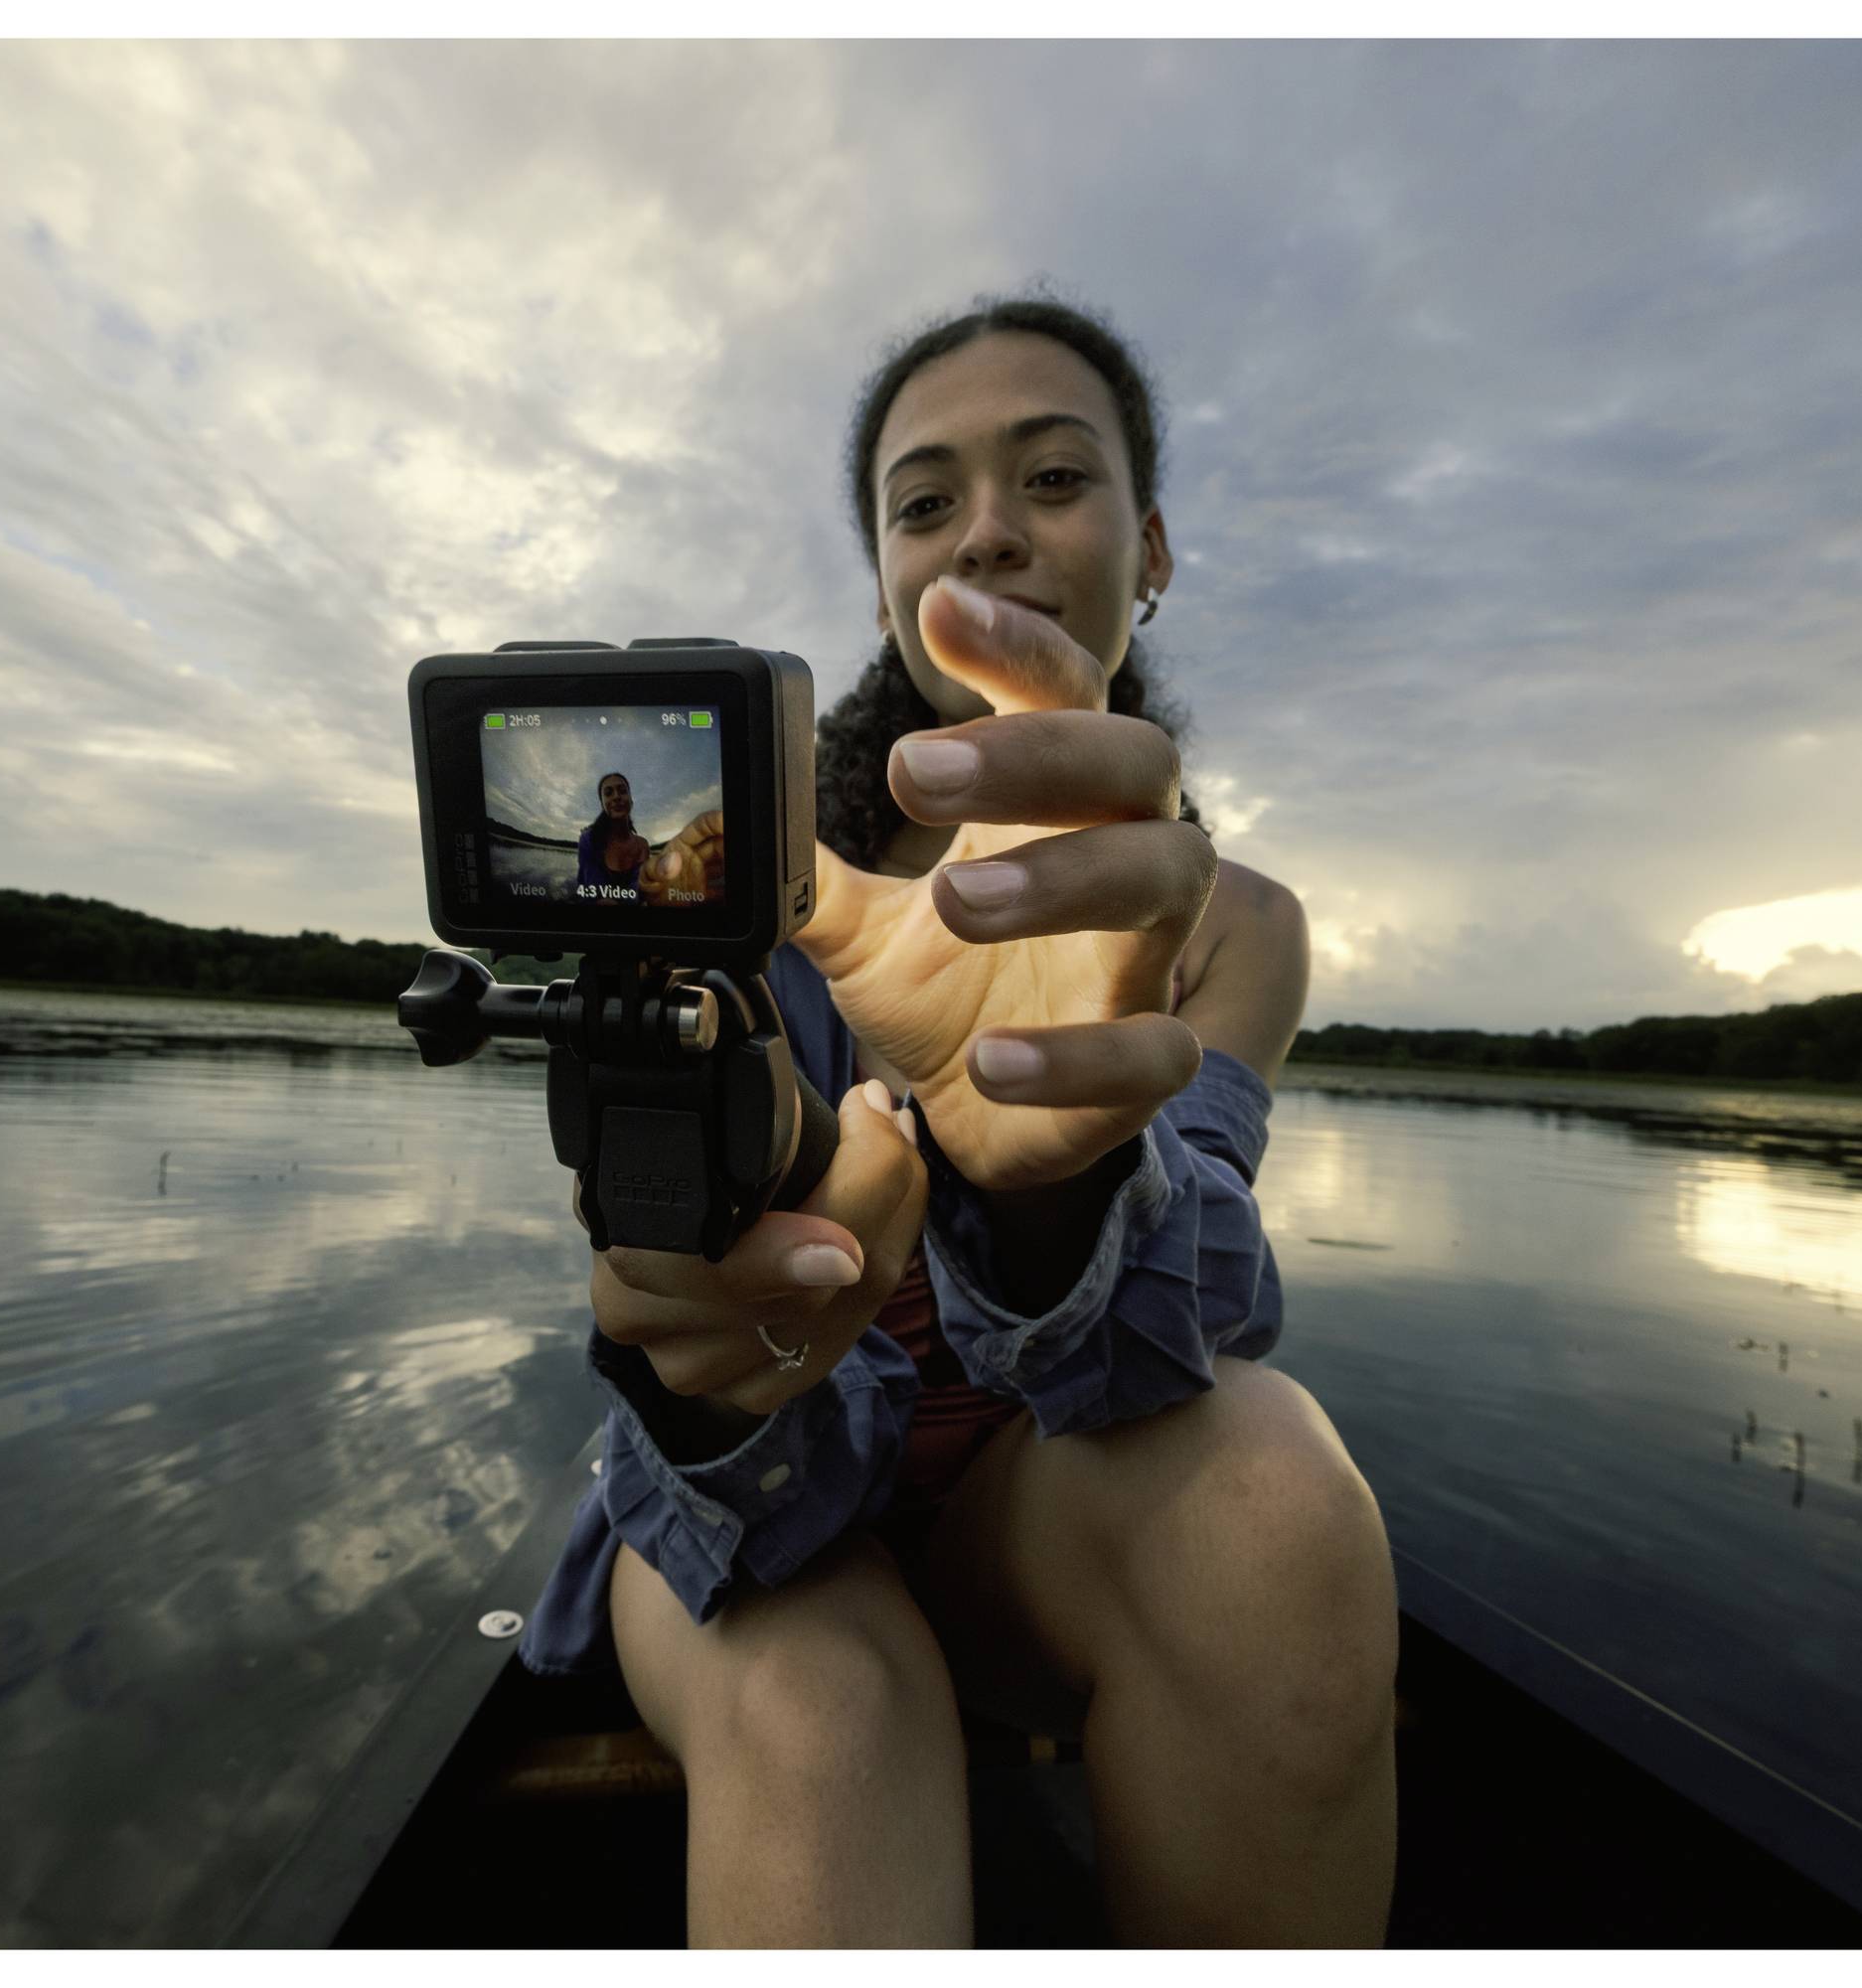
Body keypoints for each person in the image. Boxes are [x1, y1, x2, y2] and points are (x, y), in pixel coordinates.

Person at [519, 294, 1397, 1947]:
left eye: (1052, 478)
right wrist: (707, 1314)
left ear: (1147, 550)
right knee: (827, 1701)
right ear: (884, 587)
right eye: (925, 503)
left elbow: (1175, 1345)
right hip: (745, 1512)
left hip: (1030, 1514)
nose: (986, 528)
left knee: (1272, 1489)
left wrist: (1055, 1178)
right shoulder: (767, 895)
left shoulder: (1235, 928)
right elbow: (710, 1347)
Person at [577, 772, 649, 889]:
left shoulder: (642, 845)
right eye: (608, 793)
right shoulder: (588, 839)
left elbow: (639, 890)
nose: (616, 797)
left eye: (622, 791)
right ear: (602, 804)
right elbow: (594, 891)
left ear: (631, 800)